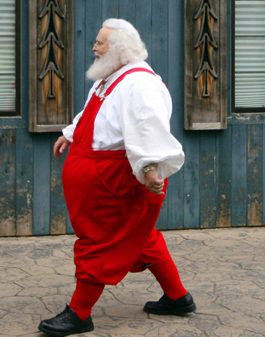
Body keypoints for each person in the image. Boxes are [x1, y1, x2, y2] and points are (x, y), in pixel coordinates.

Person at [38, 19, 196, 336]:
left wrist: (152, 168)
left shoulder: (140, 85)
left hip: (115, 183)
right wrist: (71, 134)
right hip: (95, 178)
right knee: (141, 236)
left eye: (100, 43)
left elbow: (148, 128)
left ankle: (79, 313)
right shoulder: (110, 79)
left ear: (120, 50)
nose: (94, 47)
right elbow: (96, 117)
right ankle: (178, 298)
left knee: (100, 241)